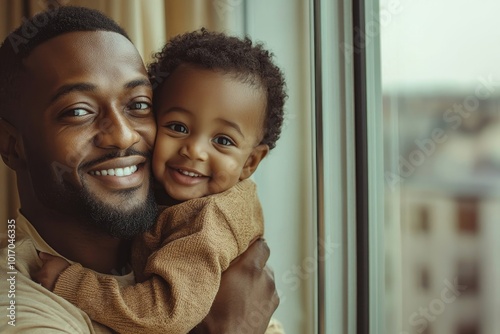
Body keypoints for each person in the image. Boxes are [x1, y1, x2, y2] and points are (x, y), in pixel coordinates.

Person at [0, 6, 278, 333]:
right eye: (77, 111)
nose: (123, 135)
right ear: (11, 145)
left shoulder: (195, 225)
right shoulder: (21, 310)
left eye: (139, 105)